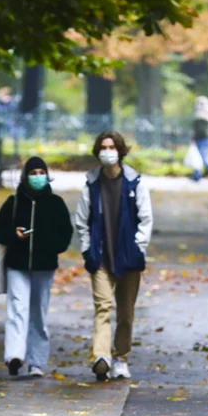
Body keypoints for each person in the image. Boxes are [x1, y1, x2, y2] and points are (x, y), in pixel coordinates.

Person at [73, 131, 153, 381]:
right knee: (103, 307)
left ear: (120, 150)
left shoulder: (135, 182)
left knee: (126, 312)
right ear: (98, 151)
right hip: (100, 257)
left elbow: (146, 219)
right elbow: (82, 221)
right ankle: (102, 357)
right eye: (103, 147)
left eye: (112, 146)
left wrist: (138, 246)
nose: (108, 151)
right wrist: (87, 249)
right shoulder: (91, 184)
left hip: (129, 257)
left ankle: (121, 357)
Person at [0, 156, 73, 377]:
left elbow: (65, 233)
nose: (38, 177)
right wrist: (14, 235)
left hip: (44, 266)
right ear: (25, 177)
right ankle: (14, 356)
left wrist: (52, 247)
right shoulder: (13, 202)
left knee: (38, 313)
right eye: (33, 173)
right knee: (18, 309)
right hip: (17, 264)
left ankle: (36, 362)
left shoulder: (56, 203)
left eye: (41, 172)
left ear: (47, 175)